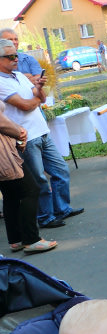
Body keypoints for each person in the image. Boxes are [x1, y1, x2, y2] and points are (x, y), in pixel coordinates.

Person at [0, 38, 82, 229]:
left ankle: (62, 208)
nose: (16, 59)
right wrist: (35, 98)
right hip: (26, 137)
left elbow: (41, 98)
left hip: (42, 132)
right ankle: (45, 217)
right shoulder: (1, 82)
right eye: (10, 56)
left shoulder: (19, 75)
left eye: (16, 54)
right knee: (39, 179)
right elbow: (25, 105)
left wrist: (38, 88)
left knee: (61, 171)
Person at [0, 98, 57, 253]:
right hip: (4, 153)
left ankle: (16, 239)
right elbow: (2, 122)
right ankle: (31, 239)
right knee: (30, 190)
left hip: (5, 149)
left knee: (10, 194)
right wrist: (20, 132)